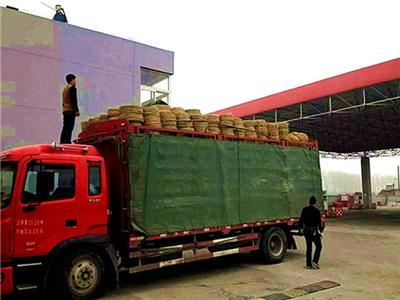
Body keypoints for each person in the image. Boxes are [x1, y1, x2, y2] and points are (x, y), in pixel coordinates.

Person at [299, 195, 324, 269]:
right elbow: (319, 223)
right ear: (315, 202)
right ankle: (315, 261)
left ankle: (308, 264)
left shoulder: (304, 209)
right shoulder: (317, 211)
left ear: (309, 202)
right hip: (314, 230)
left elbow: (301, 220)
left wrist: (301, 228)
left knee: (309, 247)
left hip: (306, 230)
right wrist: (321, 231)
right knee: (319, 246)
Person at [60, 74, 80, 144]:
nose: (75, 81)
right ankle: (67, 141)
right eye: (74, 80)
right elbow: (74, 100)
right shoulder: (72, 88)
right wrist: (76, 110)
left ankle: (62, 141)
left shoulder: (65, 89)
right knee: (70, 127)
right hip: (70, 111)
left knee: (65, 127)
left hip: (65, 111)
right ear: (71, 80)